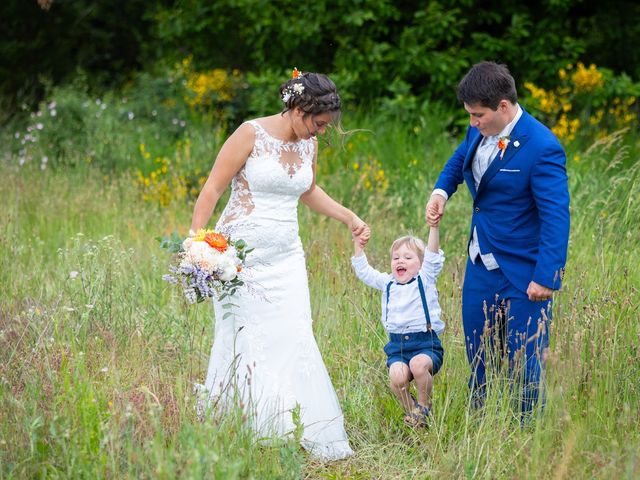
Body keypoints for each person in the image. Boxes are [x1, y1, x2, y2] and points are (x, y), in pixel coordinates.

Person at [190, 69, 369, 460]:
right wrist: (198, 248)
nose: (320, 132)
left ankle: (290, 423)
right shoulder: (250, 134)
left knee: (295, 334)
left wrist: (347, 216)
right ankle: (243, 423)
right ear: (299, 108)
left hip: (288, 257)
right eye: (318, 124)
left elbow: (307, 190)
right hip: (238, 259)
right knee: (243, 337)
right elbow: (212, 189)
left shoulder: (309, 145)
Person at [426, 61, 570, 417]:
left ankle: (524, 433)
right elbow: (459, 158)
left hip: (523, 272)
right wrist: (442, 191)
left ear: (503, 107)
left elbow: (556, 216)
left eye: (478, 115)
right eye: (470, 116)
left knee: (525, 360)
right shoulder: (478, 129)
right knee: (478, 352)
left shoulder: (543, 148)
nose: (473, 123)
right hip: (480, 262)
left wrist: (546, 277)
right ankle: (480, 424)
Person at [350, 224, 445, 428]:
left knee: (418, 366)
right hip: (398, 346)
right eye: (396, 258)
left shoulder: (425, 278)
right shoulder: (388, 283)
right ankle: (413, 412)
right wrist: (358, 247)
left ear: (421, 263)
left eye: (408, 257)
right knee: (397, 377)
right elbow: (365, 272)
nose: (400, 260)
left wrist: (434, 227)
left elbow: (433, 255)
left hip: (425, 343)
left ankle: (423, 405)